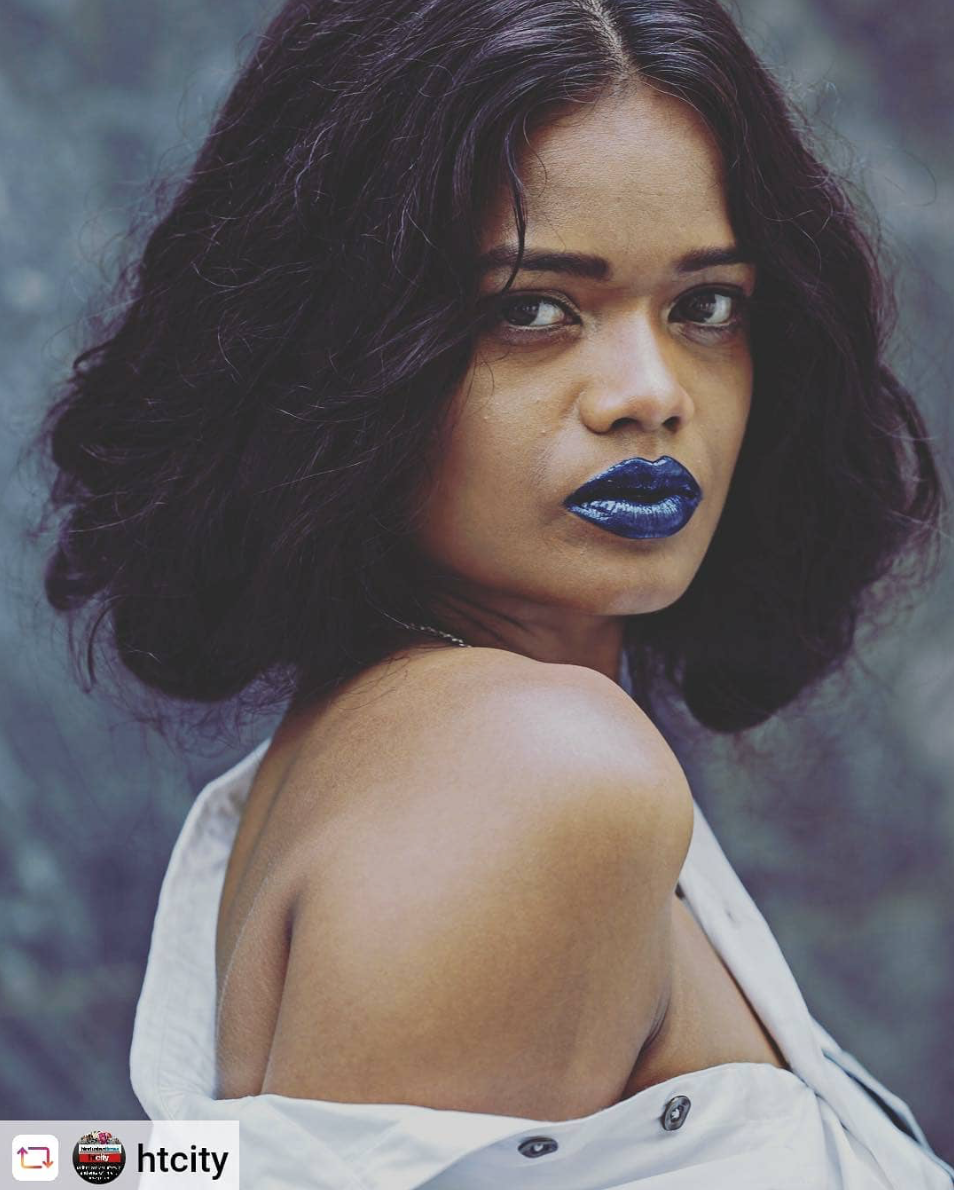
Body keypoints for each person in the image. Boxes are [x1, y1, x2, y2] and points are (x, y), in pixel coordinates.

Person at [30, 0, 953, 1186]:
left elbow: (113, 1168)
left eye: (705, 304)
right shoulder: (538, 773)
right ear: (341, 345)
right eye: (532, 308)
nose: (650, 392)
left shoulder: (397, 751)